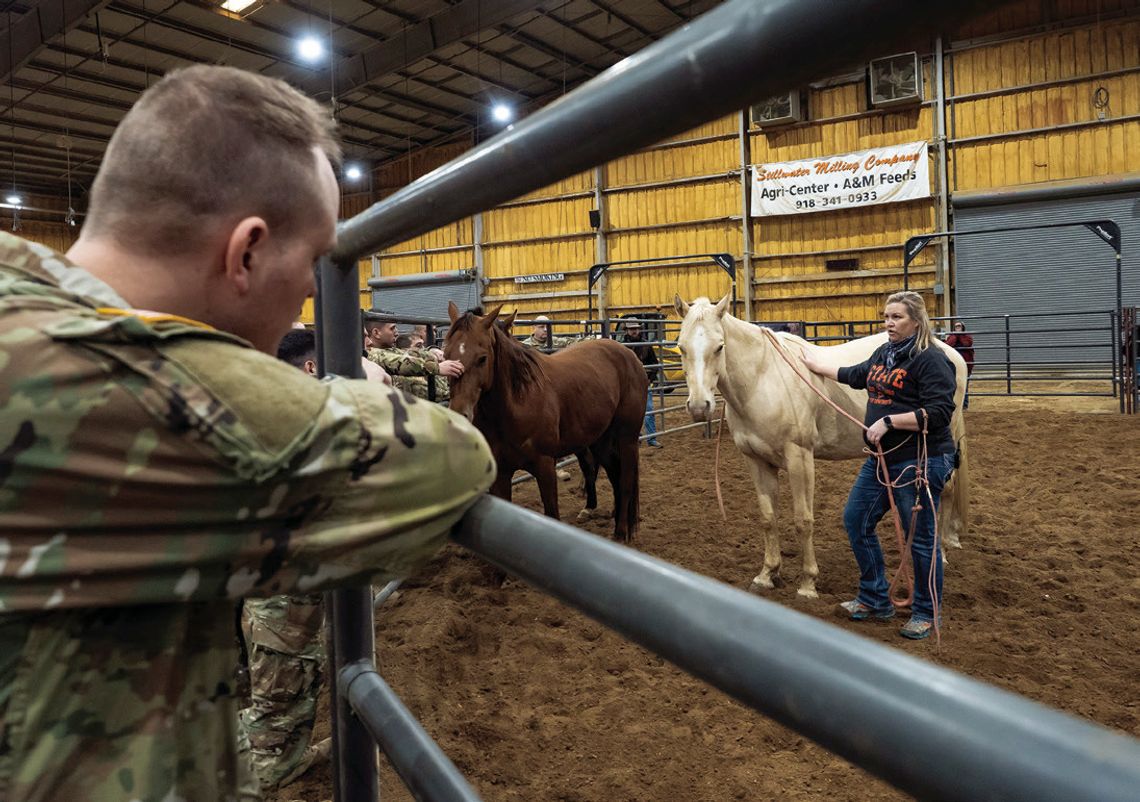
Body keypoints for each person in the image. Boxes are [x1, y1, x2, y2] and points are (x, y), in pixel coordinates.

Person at [0, 64, 494, 802]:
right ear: (248, 253)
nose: (308, 299)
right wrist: (342, 391)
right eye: (310, 273)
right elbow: (450, 462)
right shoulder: (134, 384)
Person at [800, 291, 957, 641]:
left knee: (921, 538)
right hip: (882, 460)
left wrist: (889, 422)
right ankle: (874, 596)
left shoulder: (930, 360)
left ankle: (926, 612)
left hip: (920, 460)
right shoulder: (885, 354)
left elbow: (940, 412)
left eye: (897, 317)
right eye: (886, 316)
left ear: (916, 321)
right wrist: (814, 364)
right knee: (856, 519)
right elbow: (857, 374)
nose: (889, 322)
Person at [364, 317, 461, 400]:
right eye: (392, 328)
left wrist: (432, 350)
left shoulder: (390, 350)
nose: (397, 332)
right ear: (376, 333)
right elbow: (400, 362)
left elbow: (408, 353)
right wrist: (437, 368)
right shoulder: (370, 354)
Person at [620, 318, 663, 448]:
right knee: (629, 412)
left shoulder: (645, 345)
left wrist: (650, 378)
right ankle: (636, 437)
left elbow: (655, 364)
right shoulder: (621, 347)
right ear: (627, 330)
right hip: (627, 385)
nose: (634, 331)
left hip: (643, 383)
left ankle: (651, 438)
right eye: (632, 329)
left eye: (636, 328)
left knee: (648, 410)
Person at [945, 321, 975, 409]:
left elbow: (966, 344)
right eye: (956, 326)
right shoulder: (951, 337)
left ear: (963, 327)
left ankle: (964, 404)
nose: (957, 328)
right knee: (953, 384)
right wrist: (955, 336)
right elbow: (948, 345)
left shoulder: (967, 337)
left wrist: (960, 335)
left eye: (959, 326)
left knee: (964, 385)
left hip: (966, 365)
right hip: (953, 365)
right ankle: (954, 404)